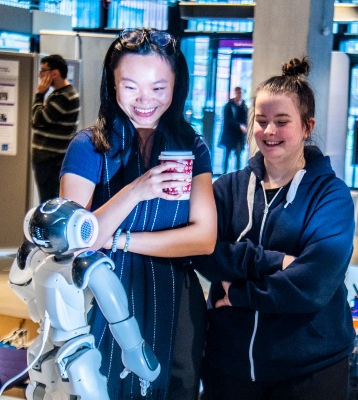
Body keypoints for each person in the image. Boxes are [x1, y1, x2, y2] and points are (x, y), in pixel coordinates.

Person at [58, 28, 216, 399]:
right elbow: (74, 241)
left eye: (159, 88)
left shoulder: (191, 147)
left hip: (174, 296)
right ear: (112, 85)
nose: (145, 100)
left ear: (176, 86)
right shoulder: (89, 147)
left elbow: (204, 238)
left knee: (172, 387)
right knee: (103, 386)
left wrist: (121, 239)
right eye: (130, 87)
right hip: (104, 295)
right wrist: (136, 190)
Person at [195, 57, 356, 400]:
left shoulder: (331, 197)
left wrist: (238, 294)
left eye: (282, 122)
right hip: (229, 364)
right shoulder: (229, 189)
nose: (269, 132)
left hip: (309, 368)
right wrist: (271, 260)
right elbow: (200, 249)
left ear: (307, 126)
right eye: (262, 120)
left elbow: (313, 283)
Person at [31, 54, 80, 203]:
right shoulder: (58, 94)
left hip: (50, 161)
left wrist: (39, 94)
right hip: (48, 160)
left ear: (55, 73)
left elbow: (37, 121)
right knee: (48, 201)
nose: (40, 75)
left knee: (48, 203)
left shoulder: (65, 96)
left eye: (43, 70)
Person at [219, 86, 248, 173]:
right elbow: (228, 120)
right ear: (235, 93)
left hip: (239, 136)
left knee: (238, 155)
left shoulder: (244, 106)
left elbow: (245, 120)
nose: (240, 95)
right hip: (230, 135)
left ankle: (238, 175)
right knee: (227, 154)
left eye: (241, 93)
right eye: (238, 93)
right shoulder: (229, 106)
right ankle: (224, 174)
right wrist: (239, 126)